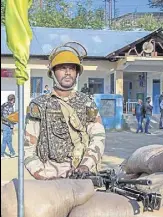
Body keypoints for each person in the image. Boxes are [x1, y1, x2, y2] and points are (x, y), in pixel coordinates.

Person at [24, 42, 106, 180]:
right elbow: (27, 148)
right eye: (62, 68)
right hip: (49, 172)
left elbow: (98, 137)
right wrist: (44, 175)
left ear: (77, 73)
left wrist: (86, 165)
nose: (68, 72)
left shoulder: (87, 103)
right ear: (53, 72)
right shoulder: (39, 105)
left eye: (72, 68)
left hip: (80, 172)